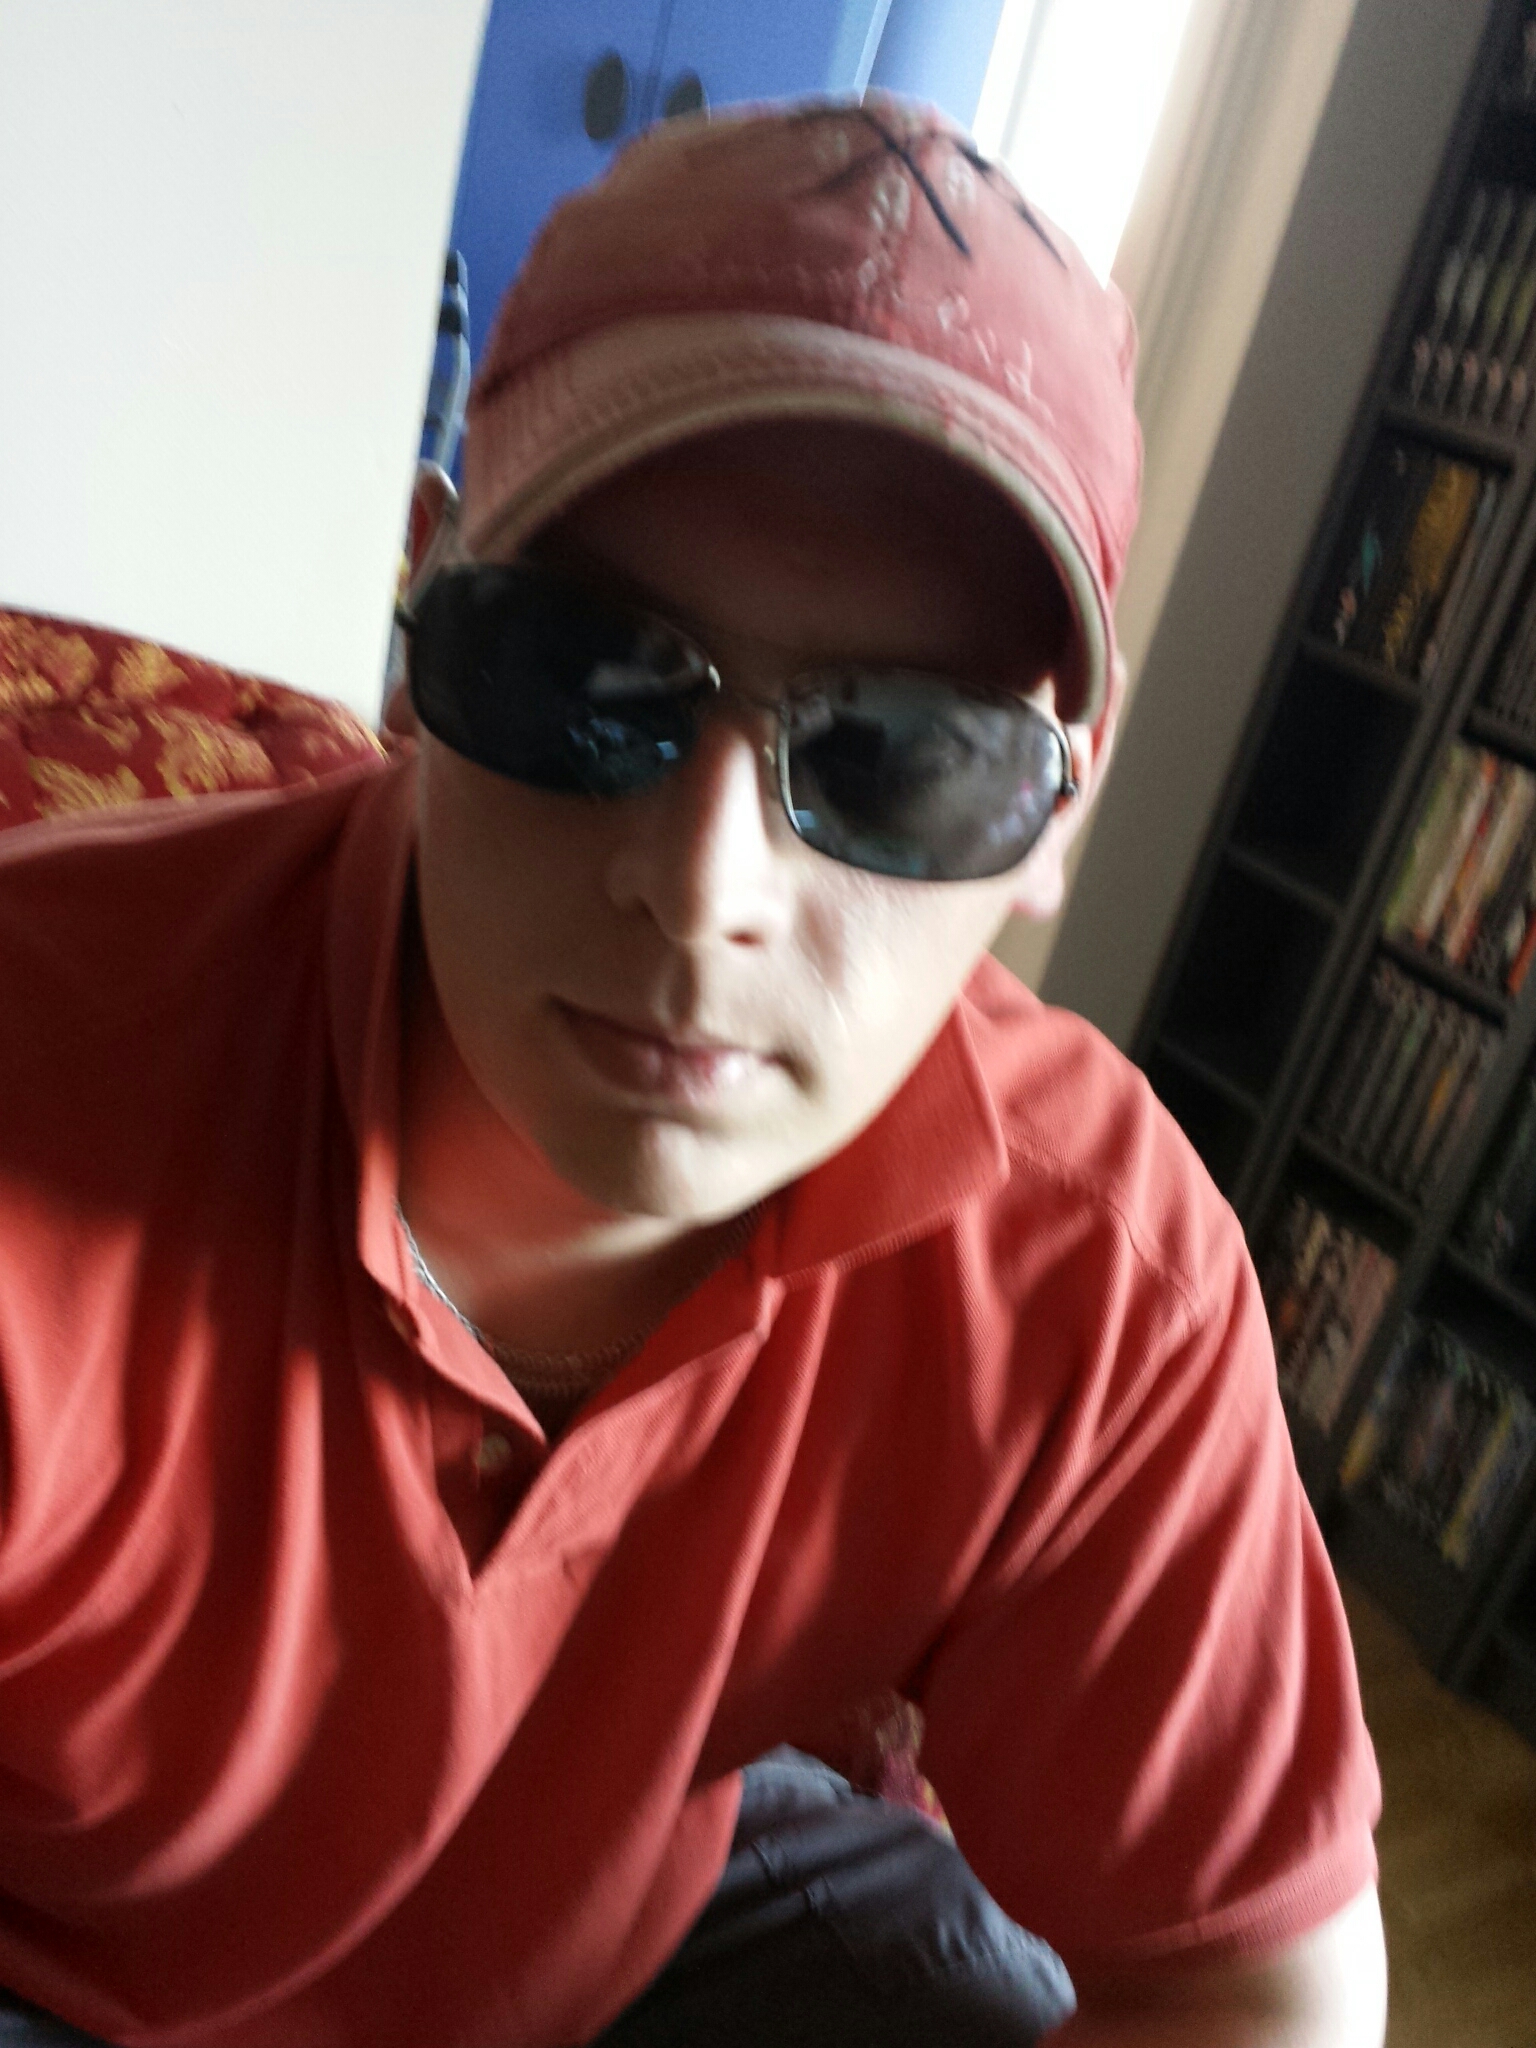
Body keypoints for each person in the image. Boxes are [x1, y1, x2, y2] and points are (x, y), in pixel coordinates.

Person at [0, 97, 1385, 2048]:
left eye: (902, 757)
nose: (706, 887)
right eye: (582, 675)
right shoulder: (44, 1061)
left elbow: (1247, 1984)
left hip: (621, 1911)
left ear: (1064, 801)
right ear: (417, 614)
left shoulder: (1090, 1267)